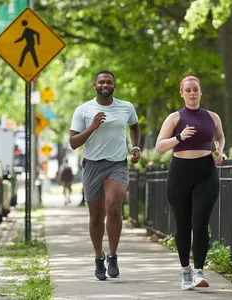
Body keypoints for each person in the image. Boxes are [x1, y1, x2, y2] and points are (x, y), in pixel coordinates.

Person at [69, 70, 141, 281]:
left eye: (109, 82)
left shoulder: (126, 107)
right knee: (96, 215)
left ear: (114, 86)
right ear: (95, 85)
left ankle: (112, 255)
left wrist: (135, 146)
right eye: (101, 82)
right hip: (92, 165)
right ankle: (98, 257)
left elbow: (135, 127)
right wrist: (92, 127)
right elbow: (73, 143)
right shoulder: (83, 110)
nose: (105, 85)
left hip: (117, 164)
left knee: (113, 207)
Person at [155, 75, 225, 291]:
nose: (192, 93)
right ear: (182, 93)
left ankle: (199, 272)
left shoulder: (212, 117)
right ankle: (185, 272)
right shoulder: (175, 118)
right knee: (183, 224)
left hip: (206, 172)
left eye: (196, 89)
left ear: (201, 91)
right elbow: (159, 147)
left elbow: (220, 137)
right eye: (188, 90)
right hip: (180, 174)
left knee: (201, 222)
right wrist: (179, 137)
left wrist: (220, 150)